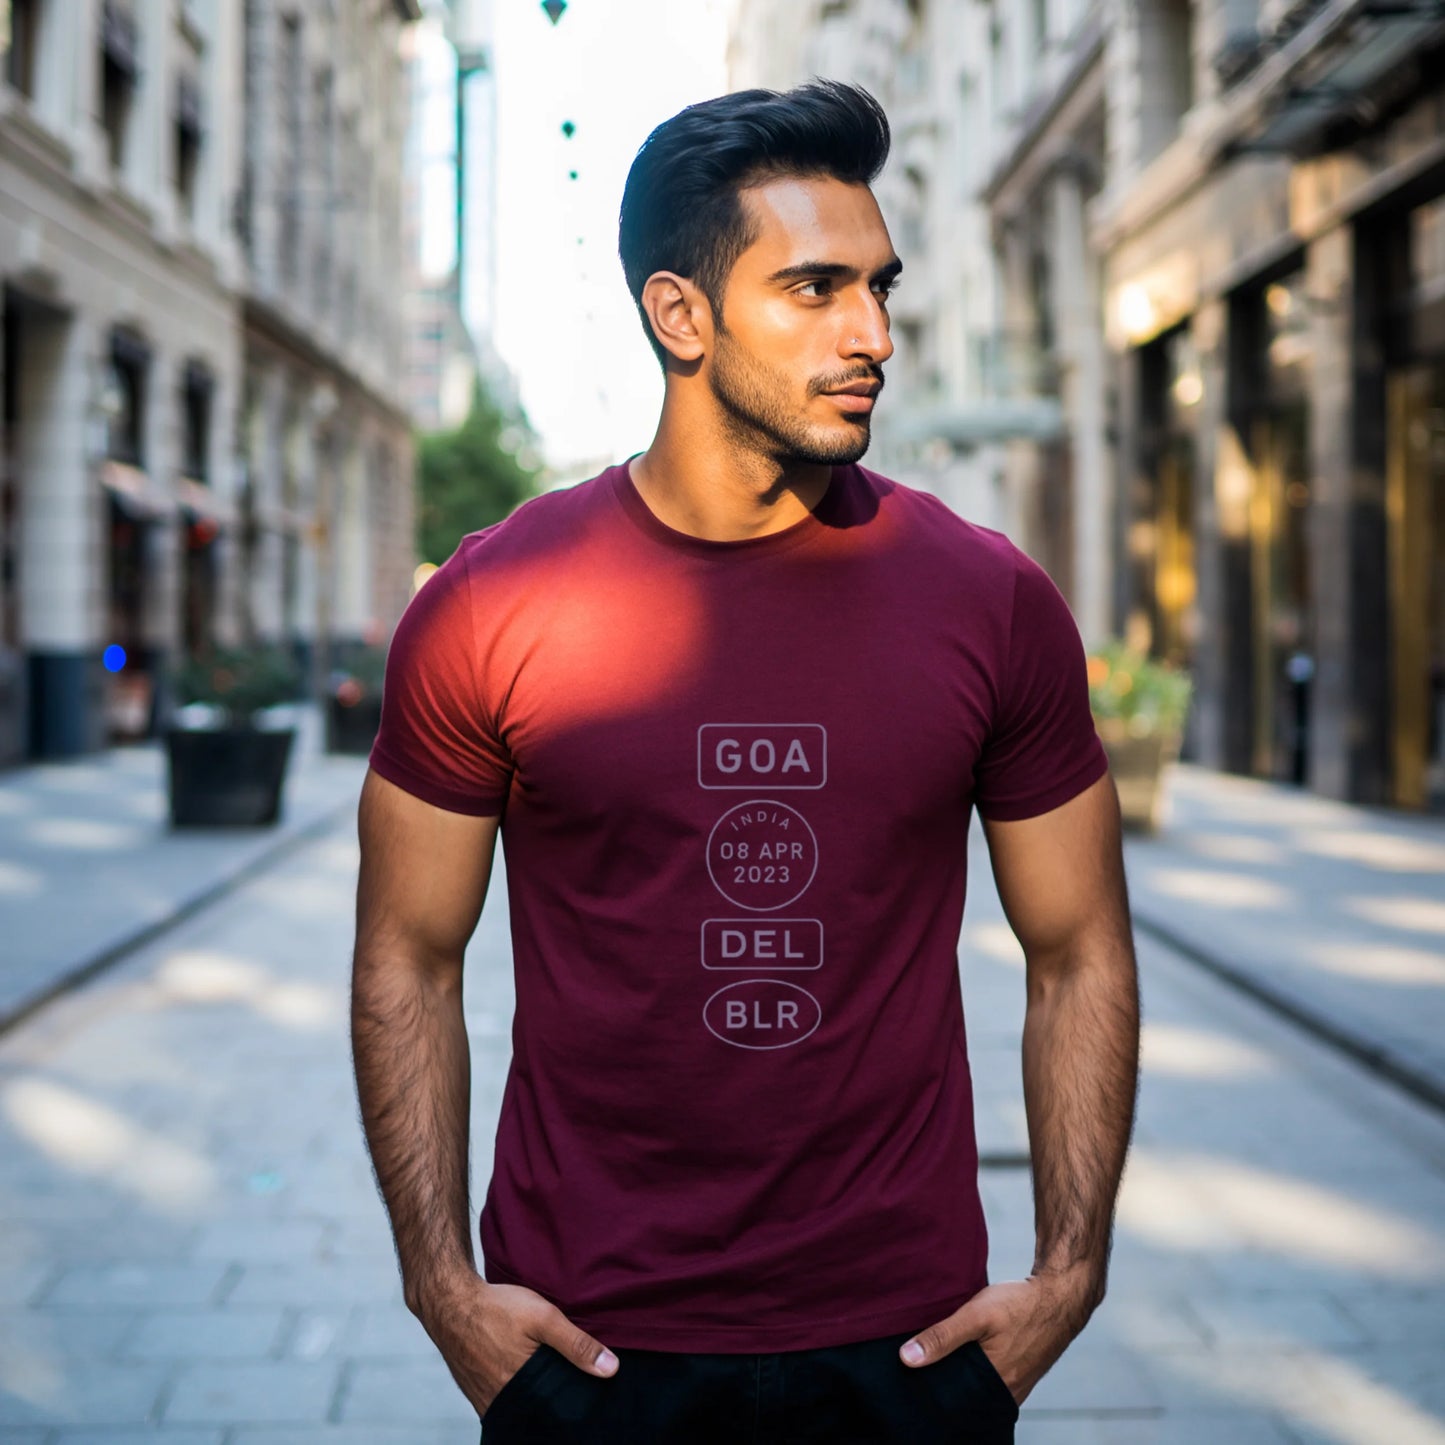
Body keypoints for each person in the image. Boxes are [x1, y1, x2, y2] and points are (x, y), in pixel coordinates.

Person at [351, 79, 1140, 1445]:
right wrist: (441, 1288)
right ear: (681, 315)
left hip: (907, 1350)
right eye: (817, 288)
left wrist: (1068, 1275)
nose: (873, 334)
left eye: (878, 287)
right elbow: (404, 957)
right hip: (588, 1350)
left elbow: (1080, 949)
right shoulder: (492, 603)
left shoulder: (987, 598)